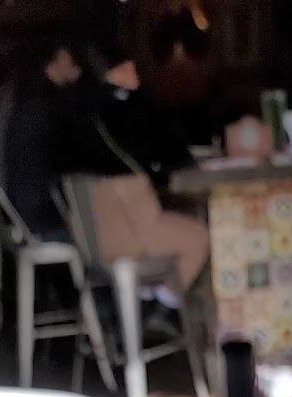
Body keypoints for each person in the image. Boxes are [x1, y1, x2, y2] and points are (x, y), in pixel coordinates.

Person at [59, 40, 209, 294]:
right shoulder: (121, 113)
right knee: (199, 235)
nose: (133, 78)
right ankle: (166, 303)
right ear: (108, 76)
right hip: (130, 237)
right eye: (124, 71)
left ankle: (148, 300)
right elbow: (165, 150)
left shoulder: (76, 117)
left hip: (91, 243)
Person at [4, 38, 82, 238]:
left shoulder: (30, 96)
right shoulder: (47, 106)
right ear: (59, 58)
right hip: (42, 214)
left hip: (27, 208)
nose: (76, 63)